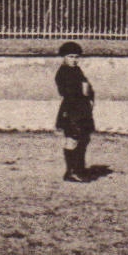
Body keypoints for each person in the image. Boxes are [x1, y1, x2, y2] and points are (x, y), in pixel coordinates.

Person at [54, 41, 97, 182]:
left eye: (76, 57)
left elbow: (87, 86)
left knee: (84, 138)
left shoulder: (77, 70)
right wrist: (82, 91)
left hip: (83, 109)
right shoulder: (62, 72)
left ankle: (80, 168)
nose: (74, 60)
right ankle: (71, 171)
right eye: (71, 56)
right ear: (64, 57)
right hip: (71, 109)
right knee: (72, 138)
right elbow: (65, 91)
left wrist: (90, 97)